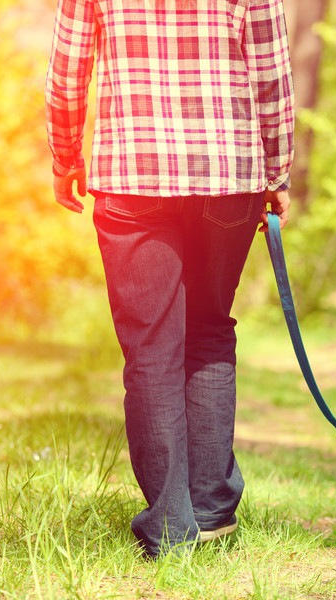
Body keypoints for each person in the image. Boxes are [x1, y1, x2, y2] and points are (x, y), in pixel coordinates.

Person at [45, 0, 294, 558]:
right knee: (208, 330)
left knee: (152, 348)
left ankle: (171, 527)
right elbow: (272, 69)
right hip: (228, 171)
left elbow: (68, 68)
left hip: (133, 171)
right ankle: (210, 513)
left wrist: (65, 157)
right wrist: (276, 172)